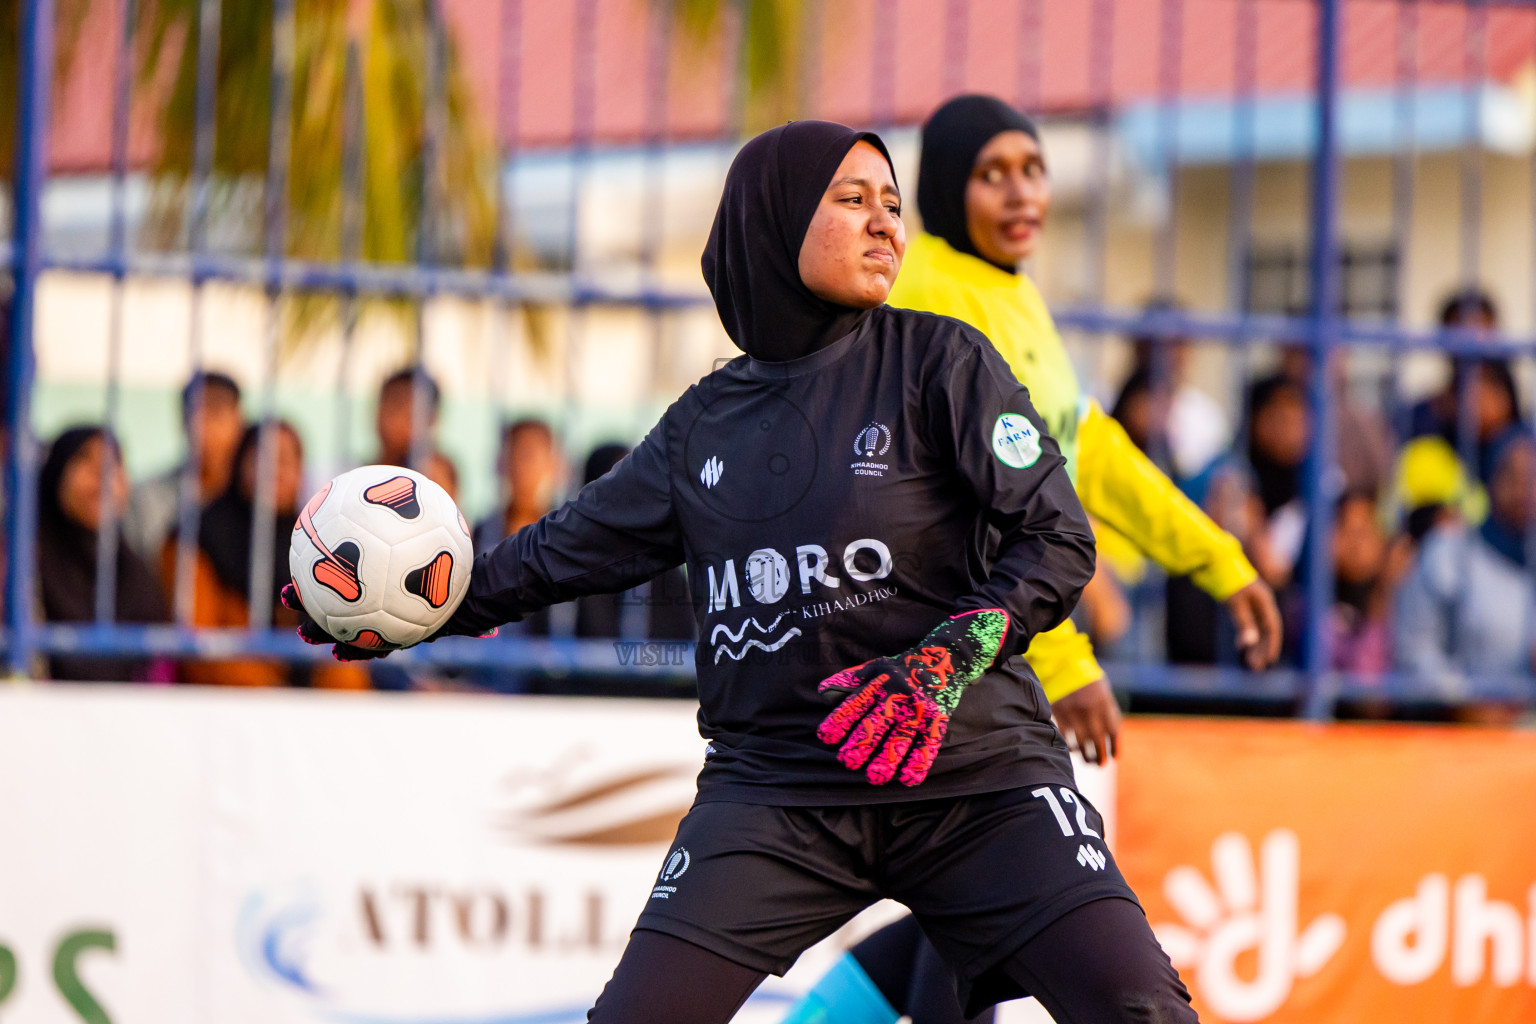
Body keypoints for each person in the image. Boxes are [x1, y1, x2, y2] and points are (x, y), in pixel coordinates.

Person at [285, 119, 1197, 1023]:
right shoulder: (702, 425)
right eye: (853, 199)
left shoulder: (941, 361)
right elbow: (551, 556)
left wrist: (943, 660)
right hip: (775, 796)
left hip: (978, 780)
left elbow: (1057, 536)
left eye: (892, 203)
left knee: (1144, 1010)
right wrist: (404, 611)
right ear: (775, 218)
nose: (886, 222)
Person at [785, 93, 1279, 1024]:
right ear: (946, 186)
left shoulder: (1010, 294)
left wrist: (1220, 560)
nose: (1021, 193)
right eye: (992, 174)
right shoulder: (932, 293)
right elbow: (963, 513)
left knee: (973, 901)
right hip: (930, 655)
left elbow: (1084, 450)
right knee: (989, 890)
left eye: (1033, 169)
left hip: (981, 657)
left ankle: (820, 1015)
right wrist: (1062, 659)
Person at [170, 421, 366, 689]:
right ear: (240, 464)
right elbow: (197, 646)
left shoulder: (315, 543)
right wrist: (277, 696)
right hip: (229, 691)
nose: (276, 471)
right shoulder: (197, 537)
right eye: (263, 459)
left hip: (307, 691)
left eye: (286, 461)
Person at [1395, 428, 1536, 690]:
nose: (1522, 489)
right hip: (1464, 712)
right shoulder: (1451, 552)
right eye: (1510, 475)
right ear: (1489, 480)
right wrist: (1463, 697)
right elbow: (1414, 647)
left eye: (1531, 477)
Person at [37, 427, 172, 682]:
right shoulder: (23, 563)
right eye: (84, 459)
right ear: (57, 472)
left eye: (113, 463)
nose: (101, 474)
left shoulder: (135, 574)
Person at [123, 371, 244, 563]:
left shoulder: (259, 502)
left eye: (215, 413)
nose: (203, 427)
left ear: (239, 422)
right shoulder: (146, 499)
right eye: (194, 413)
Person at [473, 417, 560, 551]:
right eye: (515, 455)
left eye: (531, 457)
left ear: (551, 465)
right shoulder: (482, 533)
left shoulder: (562, 534)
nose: (522, 468)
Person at [375, 367, 442, 469]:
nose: (390, 418)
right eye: (385, 404)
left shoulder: (433, 471)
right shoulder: (360, 471)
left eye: (401, 407)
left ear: (431, 419)